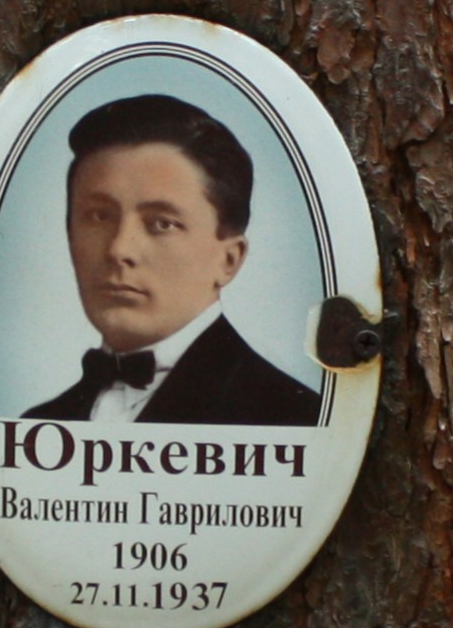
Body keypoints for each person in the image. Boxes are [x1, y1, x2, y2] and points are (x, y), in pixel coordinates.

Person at [23, 94, 321, 426]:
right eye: (99, 216)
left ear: (229, 260)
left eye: (162, 224)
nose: (119, 250)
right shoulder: (38, 423)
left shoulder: (294, 417)